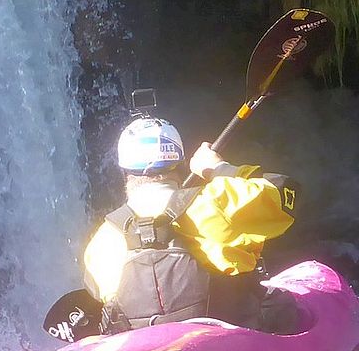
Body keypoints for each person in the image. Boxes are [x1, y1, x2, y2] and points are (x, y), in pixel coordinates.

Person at [81, 116, 298, 333]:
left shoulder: (102, 243)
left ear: (125, 172)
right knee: (284, 306)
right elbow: (286, 191)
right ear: (182, 165)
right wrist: (217, 168)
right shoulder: (215, 205)